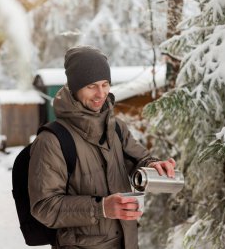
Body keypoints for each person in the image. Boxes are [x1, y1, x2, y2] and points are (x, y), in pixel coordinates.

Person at [28, 45, 176, 249]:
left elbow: (139, 160)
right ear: (74, 87)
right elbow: (44, 207)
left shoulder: (116, 128)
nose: (101, 94)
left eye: (105, 84)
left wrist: (155, 166)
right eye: (91, 86)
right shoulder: (52, 141)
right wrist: (102, 208)